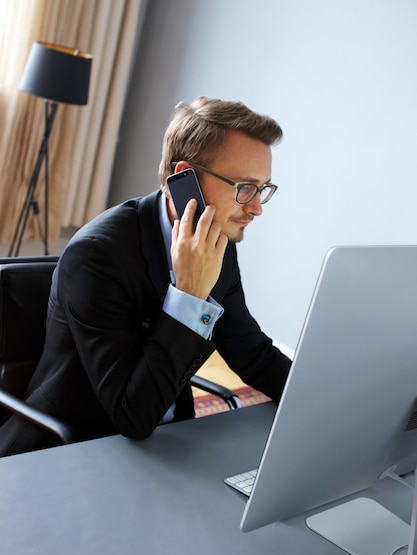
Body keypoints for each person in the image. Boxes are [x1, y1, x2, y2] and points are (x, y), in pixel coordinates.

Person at [0, 96, 292, 456]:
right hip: (72, 447)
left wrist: (323, 399)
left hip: (167, 441)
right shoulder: (96, 256)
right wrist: (190, 295)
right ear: (185, 177)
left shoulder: (216, 242)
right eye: (244, 187)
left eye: (263, 189)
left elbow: (252, 353)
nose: (256, 208)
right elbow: (132, 417)